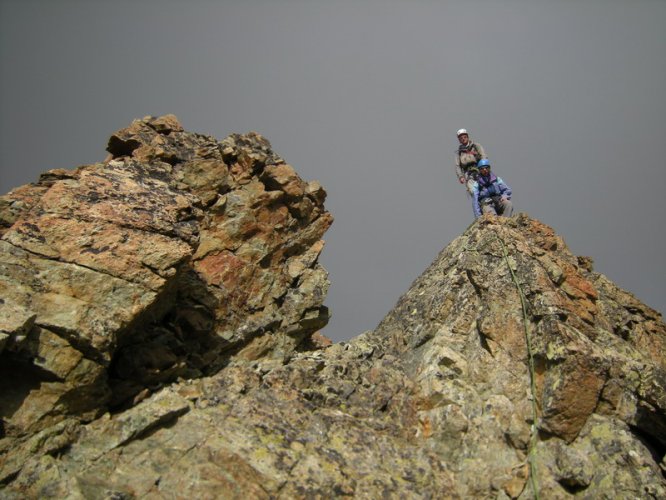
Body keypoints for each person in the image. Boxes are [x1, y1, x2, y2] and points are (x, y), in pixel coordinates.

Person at [455, 128, 487, 194]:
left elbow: (483, 156)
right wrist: (460, 176)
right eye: (461, 138)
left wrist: (485, 167)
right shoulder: (459, 153)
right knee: (473, 191)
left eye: (464, 137)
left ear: (467, 137)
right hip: (468, 173)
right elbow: (457, 166)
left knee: (488, 186)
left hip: (480, 169)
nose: (463, 139)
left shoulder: (476, 146)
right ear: (459, 140)